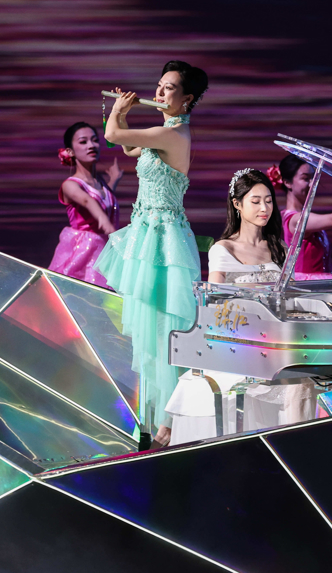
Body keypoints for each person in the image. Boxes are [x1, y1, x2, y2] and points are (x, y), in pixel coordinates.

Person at [96, 60, 209, 446]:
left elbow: (113, 135)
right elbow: (130, 146)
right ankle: (154, 422)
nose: (159, 92)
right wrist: (124, 113)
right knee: (149, 331)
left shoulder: (174, 134)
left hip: (165, 243)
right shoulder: (164, 132)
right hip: (149, 237)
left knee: (165, 330)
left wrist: (117, 111)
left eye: (169, 88)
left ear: (187, 99)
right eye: (159, 85)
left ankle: (170, 425)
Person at [166, 169, 316, 445]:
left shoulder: (279, 248)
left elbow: (291, 300)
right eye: (255, 201)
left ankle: (296, 446)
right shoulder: (224, 249)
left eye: (268, 201)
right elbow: (213, 306)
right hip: (238, 341)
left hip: (275, 340)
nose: (264, 208)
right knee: (295, 381)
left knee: (305, 380)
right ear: (237, 204)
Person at [48, 122, 123, 287]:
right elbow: (87, 200)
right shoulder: (70, 185)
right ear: (70, 151)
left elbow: (101, 201)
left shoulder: (101, 182)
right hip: (85, 251)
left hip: (105, 248)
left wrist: (113, 181)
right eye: (83, 142)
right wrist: (104, 221)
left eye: (95, 140)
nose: (91, 145)